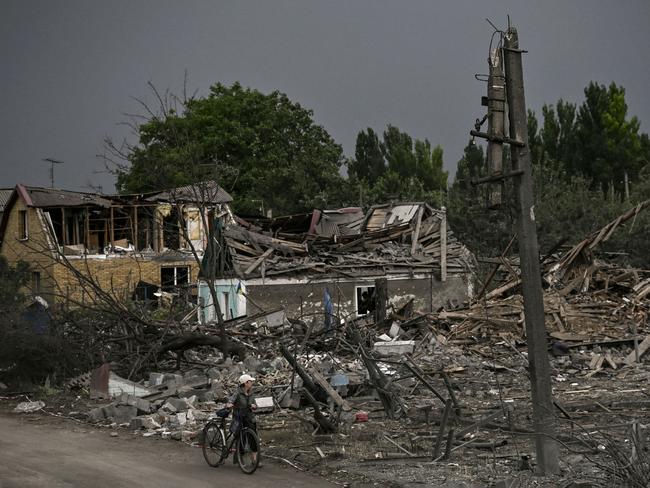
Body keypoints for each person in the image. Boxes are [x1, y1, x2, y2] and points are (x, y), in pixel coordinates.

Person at [226, 374, 259, 465]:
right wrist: (229, 405)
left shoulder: (251, 393)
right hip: (239, 418)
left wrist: (254, 406)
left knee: (253, 438)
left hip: (249, 417)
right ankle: (240, 459)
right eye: (250, 381)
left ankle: (254, 460)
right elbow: (230, 401)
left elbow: (255, 404)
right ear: (245, 383)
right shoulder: (237, 392)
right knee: (241, 439)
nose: (252, 383)